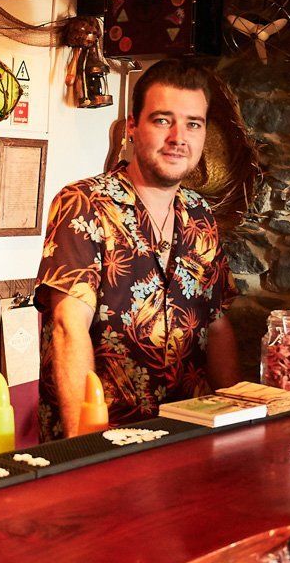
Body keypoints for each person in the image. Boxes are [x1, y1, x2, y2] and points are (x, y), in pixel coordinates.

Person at [36, 59, 239, 439]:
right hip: (109, 439)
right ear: (132, 126)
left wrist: (238, 422)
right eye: (163, 120)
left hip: (189, 434)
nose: (178, 137)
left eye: (193, 124)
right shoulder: (84, 204)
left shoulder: (201, 215)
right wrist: (85, 446)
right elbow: (68, 327)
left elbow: (217, 325)